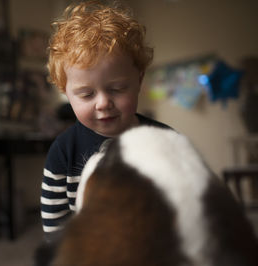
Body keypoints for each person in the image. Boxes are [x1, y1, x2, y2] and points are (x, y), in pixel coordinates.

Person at [40, 1, 171, 242]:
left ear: (139, 81)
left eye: (118, 88)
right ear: (65, 92)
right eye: (87, 94)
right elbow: (55, 222)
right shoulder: (63, 151)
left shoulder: (166, 142)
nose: (102, 103)